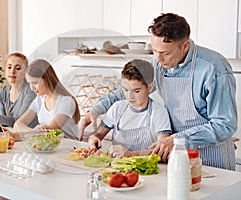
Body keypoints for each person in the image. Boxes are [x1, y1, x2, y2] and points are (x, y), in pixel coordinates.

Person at [80, 13, 237, 170]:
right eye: (154, 51)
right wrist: (96, 109)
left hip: (211, 158)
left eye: (165, 53)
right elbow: (131, 88)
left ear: (185, 46)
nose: (158, 59)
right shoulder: (158, 62)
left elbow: (224, 124)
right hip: (175, 154)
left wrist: (178, 139)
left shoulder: (214, 68)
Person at [88, 59, 172, 158]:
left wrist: (131, 154)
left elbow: (163, 150)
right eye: (125, 90)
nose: (129, 96)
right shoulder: (117, 108)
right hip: (116, 169)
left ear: (150, 87)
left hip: (147, 170)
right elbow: (97, 134)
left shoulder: (159, 112)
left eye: (136, 91)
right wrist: (93, 138)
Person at [14, 59, 80, 140]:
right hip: (48, 146)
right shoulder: (39, 100)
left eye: (35, 83)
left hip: (70, 148)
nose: (32, 88)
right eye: (29, 83)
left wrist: (31, 133)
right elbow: (18, 124)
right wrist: (33, 132)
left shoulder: (66, 101)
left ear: (47, 79)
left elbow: (50, 131)